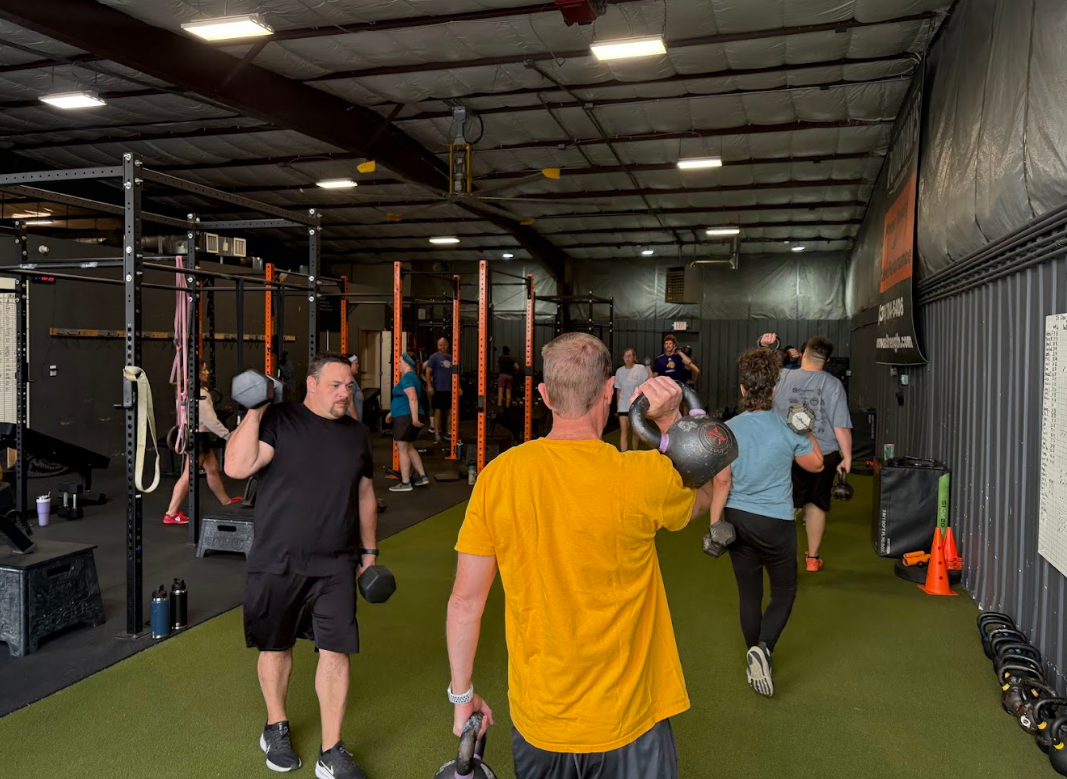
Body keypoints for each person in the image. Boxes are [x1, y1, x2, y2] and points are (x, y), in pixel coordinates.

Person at [445, 333, 715, 779]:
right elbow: (705, 494)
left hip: (542, 720)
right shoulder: (642, 474)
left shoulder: (499, 477)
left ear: (544, 396)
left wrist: (462, 696)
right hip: (628, 720)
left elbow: (464, 603)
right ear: (611, 391)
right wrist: (670, 423)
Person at [224, 353, 378, 779]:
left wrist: (369, 552)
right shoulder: (279, 421)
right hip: (277, 559)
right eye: (336, 385)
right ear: (311, 385)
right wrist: (255, 410)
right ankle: (276, 725)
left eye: (349, 385)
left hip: (336, 563)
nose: (346, 393)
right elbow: (236, 466)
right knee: (276, 646)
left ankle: (332, 750)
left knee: (336, 651)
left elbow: (365, 495)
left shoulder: (358, 435)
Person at [709, 348, 824, 697]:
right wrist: (807, 430)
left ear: (743, 390)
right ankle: (765, 647)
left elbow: (722, 482)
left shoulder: (726, 430)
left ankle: (753, 653)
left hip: (739, 520)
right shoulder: (787, 427)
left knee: (749, 593)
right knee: (785, 591)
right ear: (773, 390)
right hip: (776, 523)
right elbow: (817, 465)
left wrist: (715, 524)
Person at [767, 336, 853, 571]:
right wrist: (847, 457)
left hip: (786, 452)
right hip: (822, 453)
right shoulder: (833, 384)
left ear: (803, 354)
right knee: (816, 504)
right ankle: (813, 560)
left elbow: (757, 385)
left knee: (786, 505)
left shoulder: (782, 376)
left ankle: (784, 558)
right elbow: (841, 425)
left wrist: (766, 348)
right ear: (825, 360)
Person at [162, 361, 239, 525]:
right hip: (197, 437)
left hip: (197, 436)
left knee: (211, 469)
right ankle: (171, 513)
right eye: (204, 370)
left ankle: (226, 501)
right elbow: (210, 420)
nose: (207, 372)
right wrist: (228, 436)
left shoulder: (187, 392)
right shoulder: (200, 395)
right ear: (195, 374)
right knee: (188, 475)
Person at [388, 352, 429, 493]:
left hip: (405, 416)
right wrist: (391, 412)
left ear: (406, 363)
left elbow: (412, 398)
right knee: (409, 447)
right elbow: (406, 399)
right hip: (404, 414)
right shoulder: (413, 377)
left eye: (400, 362)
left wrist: (414, 418)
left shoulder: (408, 378)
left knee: (402, 449)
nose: (398, 364)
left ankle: (406, 483)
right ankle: (423, 476)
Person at [614, 347, 649, 452]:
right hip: (623, 406)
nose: (627, 358)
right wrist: (618, 406)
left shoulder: (641, 369)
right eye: (625, 356)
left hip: (636, 406)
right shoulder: (619, 371)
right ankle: (623, 455)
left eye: (630, 356)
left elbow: (648, 383)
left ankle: (634, 453)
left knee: (635, 433)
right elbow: (618, 390)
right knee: (624, 431)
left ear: (634, 357)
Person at [426, 337, 453, 444]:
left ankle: (450, 432)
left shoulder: (452, 358)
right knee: (438, 412)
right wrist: (429, 386)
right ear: (437, 346)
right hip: (438, 389)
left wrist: (458, 387)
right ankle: (437, 434)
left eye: (445, 344)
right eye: (440, 344)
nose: (443, 346)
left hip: (450, 390)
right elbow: (428, 372)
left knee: (451, 412)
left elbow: (456, 374)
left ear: (448, 345)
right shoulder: (434, 357)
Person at [346, 354, 365, 423]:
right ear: (349, 365)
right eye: (356, 363)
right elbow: (349, 402)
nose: (358, 366)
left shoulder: (352, 379)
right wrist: (356, 421)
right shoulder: (349, 380)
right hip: (351, 422)